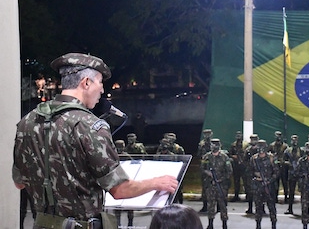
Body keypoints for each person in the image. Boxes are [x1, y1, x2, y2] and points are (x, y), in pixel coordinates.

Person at [12, 53, 178, 229]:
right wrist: (156, 183)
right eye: (100, 82)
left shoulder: (27, 122)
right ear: (86, 82)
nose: (101, 90)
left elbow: (19, 182)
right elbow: (120, 190)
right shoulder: (89, 125)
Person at [201, 138, 232, 229]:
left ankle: (224, 224)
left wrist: (221, 179)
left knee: (223, 205)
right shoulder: (206, 157)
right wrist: (208, 173)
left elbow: (229, 171)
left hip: (221, 186)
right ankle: (210, 224)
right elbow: (202, 168)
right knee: (211, 205)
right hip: (210, 185)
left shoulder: (224, 157)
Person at [250, 140, 278, 229]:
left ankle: (273, 225)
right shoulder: (254, 159)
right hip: (258, 186)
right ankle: (258, 225)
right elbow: (250, 172)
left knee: (271, 207)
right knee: (258, 207)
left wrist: (269, 180)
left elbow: (276, 172)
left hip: (269, 186)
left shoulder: (272, 158)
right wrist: (256, 177)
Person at [113, 139, 134, 227]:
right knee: (119, 207)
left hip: (121, 181)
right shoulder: (117, 156)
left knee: (127, 207)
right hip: (119, 182)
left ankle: (128, 224)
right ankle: (124, 225)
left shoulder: (116, 156)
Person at [283, 134, 303, 215]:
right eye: (293, 140)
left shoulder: (301, 151)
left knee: (303, 192)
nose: (294, 141)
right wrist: (289, 163)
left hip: (300, 174)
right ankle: (290, 208)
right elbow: (283, 160)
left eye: (296, 140)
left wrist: (299, 164)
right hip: (291, 173)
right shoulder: (288, 151)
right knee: (291, 192)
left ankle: (304, 209)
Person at [268, 131, 288, 203]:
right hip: (275, 167)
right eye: (276, 135)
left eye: (279, 135)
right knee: (275, 183)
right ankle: (275, 198)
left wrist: (284, 161)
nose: (278, 137)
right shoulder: (272, 145)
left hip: (283, 167)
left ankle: (286, 198)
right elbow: (268, 154)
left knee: (284, 183)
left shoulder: (285, 146)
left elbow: (288, 157)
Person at [228, 131, 248, 202]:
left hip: (244, 166)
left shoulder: (246, 145)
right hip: (236, 166)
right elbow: (230, 154)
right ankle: (236, 195)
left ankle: (248, 196)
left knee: (246, 181)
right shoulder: (233, 145)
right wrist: (233, 157)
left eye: (240, 135)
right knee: (236, 181)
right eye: (237, 135)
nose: (238, 137)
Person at [198, 129, 213, 212]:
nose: (207, 136)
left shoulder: (214, 144)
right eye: (205, 134)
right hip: (204, 168)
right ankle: (205, 206)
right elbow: (199, 155)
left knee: (215, 187)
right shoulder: (201, 144)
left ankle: (217, 206)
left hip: (214, 167)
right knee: (204, 187)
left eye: (208, 134)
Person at [244, 133, 260, 214]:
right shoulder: (248, 150)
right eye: (252, 139)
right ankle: (250, 208)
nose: (253, 141)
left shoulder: (260, 150)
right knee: (250, 191)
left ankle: (261, 208)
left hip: (259, 174)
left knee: (260, 191)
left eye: (255, 139)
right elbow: (245, 161)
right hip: (250, 174)